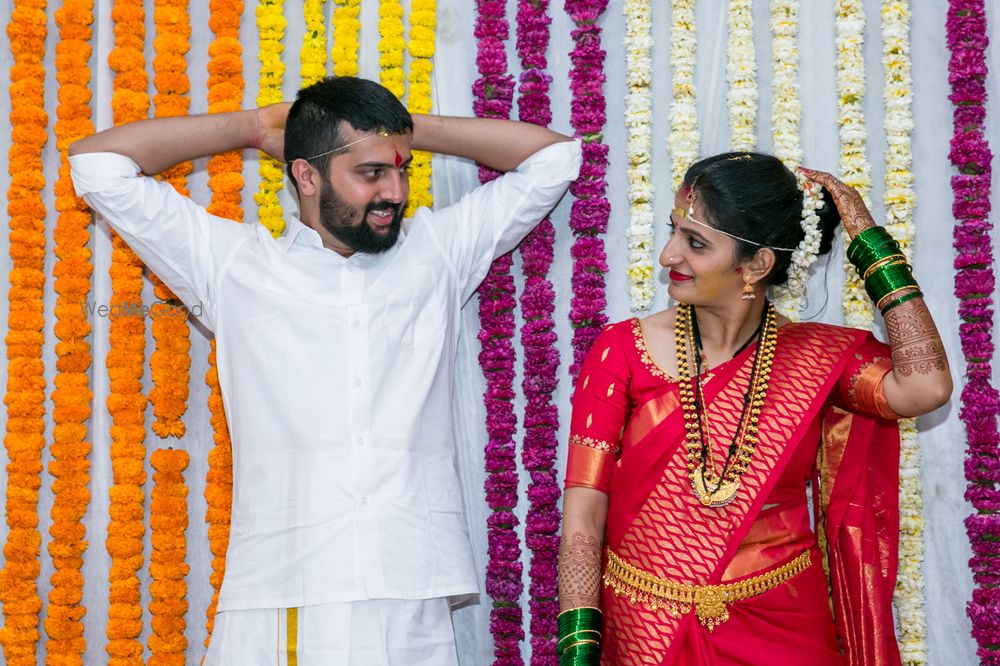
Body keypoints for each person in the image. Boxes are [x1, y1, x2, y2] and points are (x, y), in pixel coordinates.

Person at [69, 76, 580, 665]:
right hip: (286, 587)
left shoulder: (435, 252)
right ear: (306, 176)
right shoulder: (234, 265)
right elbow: (99, 165)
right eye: (370, 173)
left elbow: (554, 157)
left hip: (410, 586)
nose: (395, 190)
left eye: (402, 169)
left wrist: (396, 132)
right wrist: (256, 127)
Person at [556, 152, 951, 665]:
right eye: (673, 231)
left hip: (782, 624)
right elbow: (583, 516)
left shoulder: (818, 357)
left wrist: (872, 245)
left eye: (695, 243)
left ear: (758, 264)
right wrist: (578, 649)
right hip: (647, 627)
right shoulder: (623, 350)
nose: (668, 256)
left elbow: (926, 389)